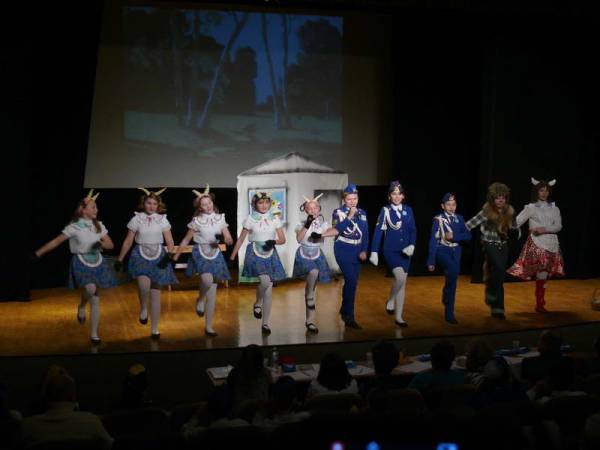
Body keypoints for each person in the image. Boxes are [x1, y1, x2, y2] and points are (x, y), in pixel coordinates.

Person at [32, 190, 116, 344]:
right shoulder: (74, 227)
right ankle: (82, 305)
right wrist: (39, 253)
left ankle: (94, 334)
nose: (96, 209)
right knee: (91, 289)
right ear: (83, 210)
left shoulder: (99, 226)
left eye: (96, 207)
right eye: (93, 207)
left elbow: (110, 245)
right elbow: (56, 241)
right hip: (81, 261)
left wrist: (100, 243)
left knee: (95, 298)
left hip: (97, 262)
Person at [115, 187, 177, 339]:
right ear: (144, 204)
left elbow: (169, 240)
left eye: (154, 204)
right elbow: (128, 241)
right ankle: (143, 307)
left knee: (156, 294)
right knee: (143, 287)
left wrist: (170, 256)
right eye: (149, 203)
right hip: (140, 255)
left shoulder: (162, 219)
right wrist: (120, 259)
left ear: (158, 206)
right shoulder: (137, 219)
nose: (151, 206)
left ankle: (155, 329)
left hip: (158, 255)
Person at [172, 186, 233, 337]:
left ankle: (209, 327)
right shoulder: (197, 221)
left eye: (209, 203)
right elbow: (186, 240)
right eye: (204, 204)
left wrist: (227, 239)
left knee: (212, 293)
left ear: (212, 202)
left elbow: (228, 237)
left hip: (215, 253)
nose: (208, 206)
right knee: (207, 280)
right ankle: (200, 299)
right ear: (200, 207)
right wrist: (176, 256)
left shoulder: (220, 218)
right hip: (200, 252)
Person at [230, 192, 286, 335]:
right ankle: (258, 302)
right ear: (255, 204)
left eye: (266, 202)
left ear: (270, 204)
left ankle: (265, 323)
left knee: (269, 288)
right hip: (255, 252)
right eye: (260, 203)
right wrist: (233, 255)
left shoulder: (274, 218)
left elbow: (282, 239)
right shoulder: (250, 219)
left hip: (270, 253)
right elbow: (241, 239)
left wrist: (273, 241)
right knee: (265, 282)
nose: (264, 205)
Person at [507, 178, 565, 312]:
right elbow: (516, 222)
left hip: (552, 244)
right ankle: (540, 303)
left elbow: (558, 226)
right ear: (536, 192)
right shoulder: (531, 208)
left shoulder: (555, 208)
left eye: (546, 191)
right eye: (541, 190)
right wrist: (504, 219)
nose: (544, 193)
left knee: (544, 274)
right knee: (542, 272)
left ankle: (540, 301)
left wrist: (543, 229)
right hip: (537, 243)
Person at [466, 182, 520, 319]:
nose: (500, 200)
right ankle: (491, 293)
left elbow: (515, 228)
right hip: (489, 244)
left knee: (499, 276)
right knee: (499, 268)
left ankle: (498, 308)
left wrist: (516, 232)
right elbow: (470, 224)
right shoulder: (487, 211)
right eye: (497, 197)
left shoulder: (509, 212)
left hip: (503, 245)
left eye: (503, 197)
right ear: (492, 198)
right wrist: (453, 231)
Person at [20, 373, 114, 449]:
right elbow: (110, 445)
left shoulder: (28, 427)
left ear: (45, 396)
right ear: (73, 396)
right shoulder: (92, 422)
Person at [370, 181, 416, 327]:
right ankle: (390, 299)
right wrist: (374, 251)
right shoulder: (385, 211)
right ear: (389, 196)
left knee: (403, 284)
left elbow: (413, 230)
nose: (396, 196)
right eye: (393, 193)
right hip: (391, 250)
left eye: (399, 193)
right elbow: (378, 231)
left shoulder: (409, 210)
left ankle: (399, 317)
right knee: (400, 278)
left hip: (406, 251)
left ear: (403, 196)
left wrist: (412, 245)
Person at [292, 194, 336, 333]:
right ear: (305, 210)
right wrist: (307, 224)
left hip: (317, 255)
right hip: (303, 255)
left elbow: (335, 231)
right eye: (309, 208)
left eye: (315, 207)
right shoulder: (300, 224)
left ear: (319, 209)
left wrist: (322, 235)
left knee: (313, 283)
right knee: (314, 272)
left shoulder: (324, 224)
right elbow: (299, 239)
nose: (312, 210)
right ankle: (309, 295)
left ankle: (309, 321)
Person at [426, 193, 472, 324]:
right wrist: (431, 260)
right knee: (453, 271)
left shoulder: (459, 218)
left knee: (452, 279)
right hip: (442, 250)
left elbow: (468, 236)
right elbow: (433, 240)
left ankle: (446, 294)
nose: (451, 207)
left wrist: (455, 236)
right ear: (443, 206)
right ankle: (449, 313)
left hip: (456, 251)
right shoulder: (438, 219)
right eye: (448, 204)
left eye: (453, 204)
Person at [331, 184, 369, 329]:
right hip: (343, 249)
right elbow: (337, 229)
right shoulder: (337, 212)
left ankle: (344, 308)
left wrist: (364, 250)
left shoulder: (363, 213)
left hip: (357, 250)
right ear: (344, 200)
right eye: (349, 199)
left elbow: (365, 233)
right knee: (351, 281)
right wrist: (350, 216)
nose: (352, 201)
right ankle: (349, 317)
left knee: (352, 283)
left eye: (355, 198)